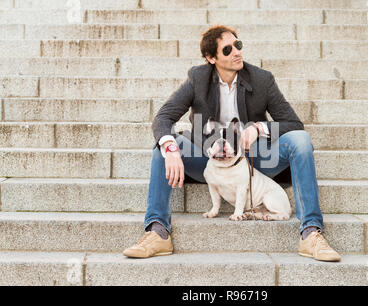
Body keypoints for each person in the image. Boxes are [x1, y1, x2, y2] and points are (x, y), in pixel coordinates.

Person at [123, 25, 341, 262]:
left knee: (301, 140)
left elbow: (293, 123)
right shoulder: (198, 78)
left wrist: (260, 128)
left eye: (238, 45)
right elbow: (164, 117)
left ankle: (310, 231)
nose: (236, 52)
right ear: (211, 57)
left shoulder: (261, 79)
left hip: (254, 162)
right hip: (209, 161)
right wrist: (171, 148)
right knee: (165, 148)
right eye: (227, 49)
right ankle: (157, 231)